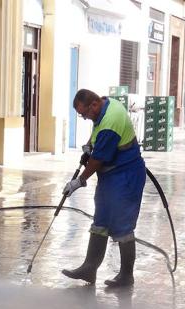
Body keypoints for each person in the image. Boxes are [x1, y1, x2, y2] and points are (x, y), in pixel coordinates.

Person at [60, 89, 146, 288]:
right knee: (101, 221)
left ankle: (126, 276)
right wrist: (90, 144)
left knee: (123, 226)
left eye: (84, 114)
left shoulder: (110, 123)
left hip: (126, 177)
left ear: (94, 105)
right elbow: (97, 132)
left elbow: (97, 160)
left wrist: (79, 181)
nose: (84, 117)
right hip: (111, 177)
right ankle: (89, 268)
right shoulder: (107, 104)